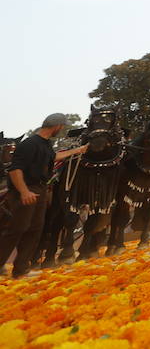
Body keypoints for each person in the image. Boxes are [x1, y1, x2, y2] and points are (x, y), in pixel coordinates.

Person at [0, 114, 86, 278]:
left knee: (35, 229)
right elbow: (15, 169)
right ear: (57, 126)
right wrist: (24, 191)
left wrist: (78, 150)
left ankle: (21, 269)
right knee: (17, 229)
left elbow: (53, 157)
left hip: (40, 189)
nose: (61, 130)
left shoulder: (46, 145)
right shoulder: (30, 144)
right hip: (25, 191)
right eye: (61, 126)